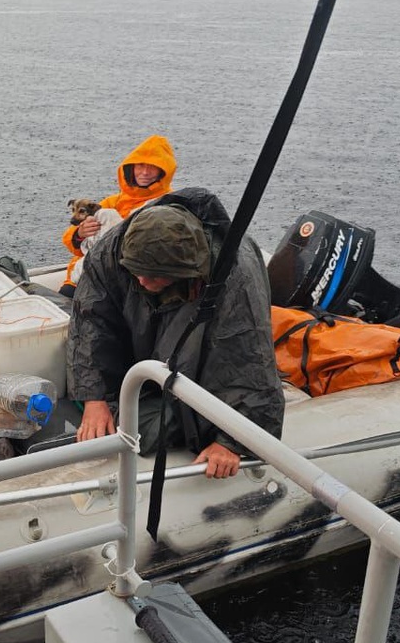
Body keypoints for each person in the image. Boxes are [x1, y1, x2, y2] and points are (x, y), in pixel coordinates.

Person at [67, 190, 284, 478]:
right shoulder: (113, 250)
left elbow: (247, 355)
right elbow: (91, 320)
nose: (142, 282)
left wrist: (232, 442)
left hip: (202, 374)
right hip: (148, 363)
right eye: (135, 272)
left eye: (154, 275)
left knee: (142, 429)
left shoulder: (235, 276)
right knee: (103, 406)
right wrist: (94, 398)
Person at [58, 134, 177, 297]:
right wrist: (79, 235)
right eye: (140, 165)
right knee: (66, 293)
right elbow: (71, 244)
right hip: (84, 275)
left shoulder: (168, 204)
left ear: (164, 171)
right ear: (130, 168)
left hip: (127, 279)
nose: (145, 172)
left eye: (153, 166)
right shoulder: (112, 202)